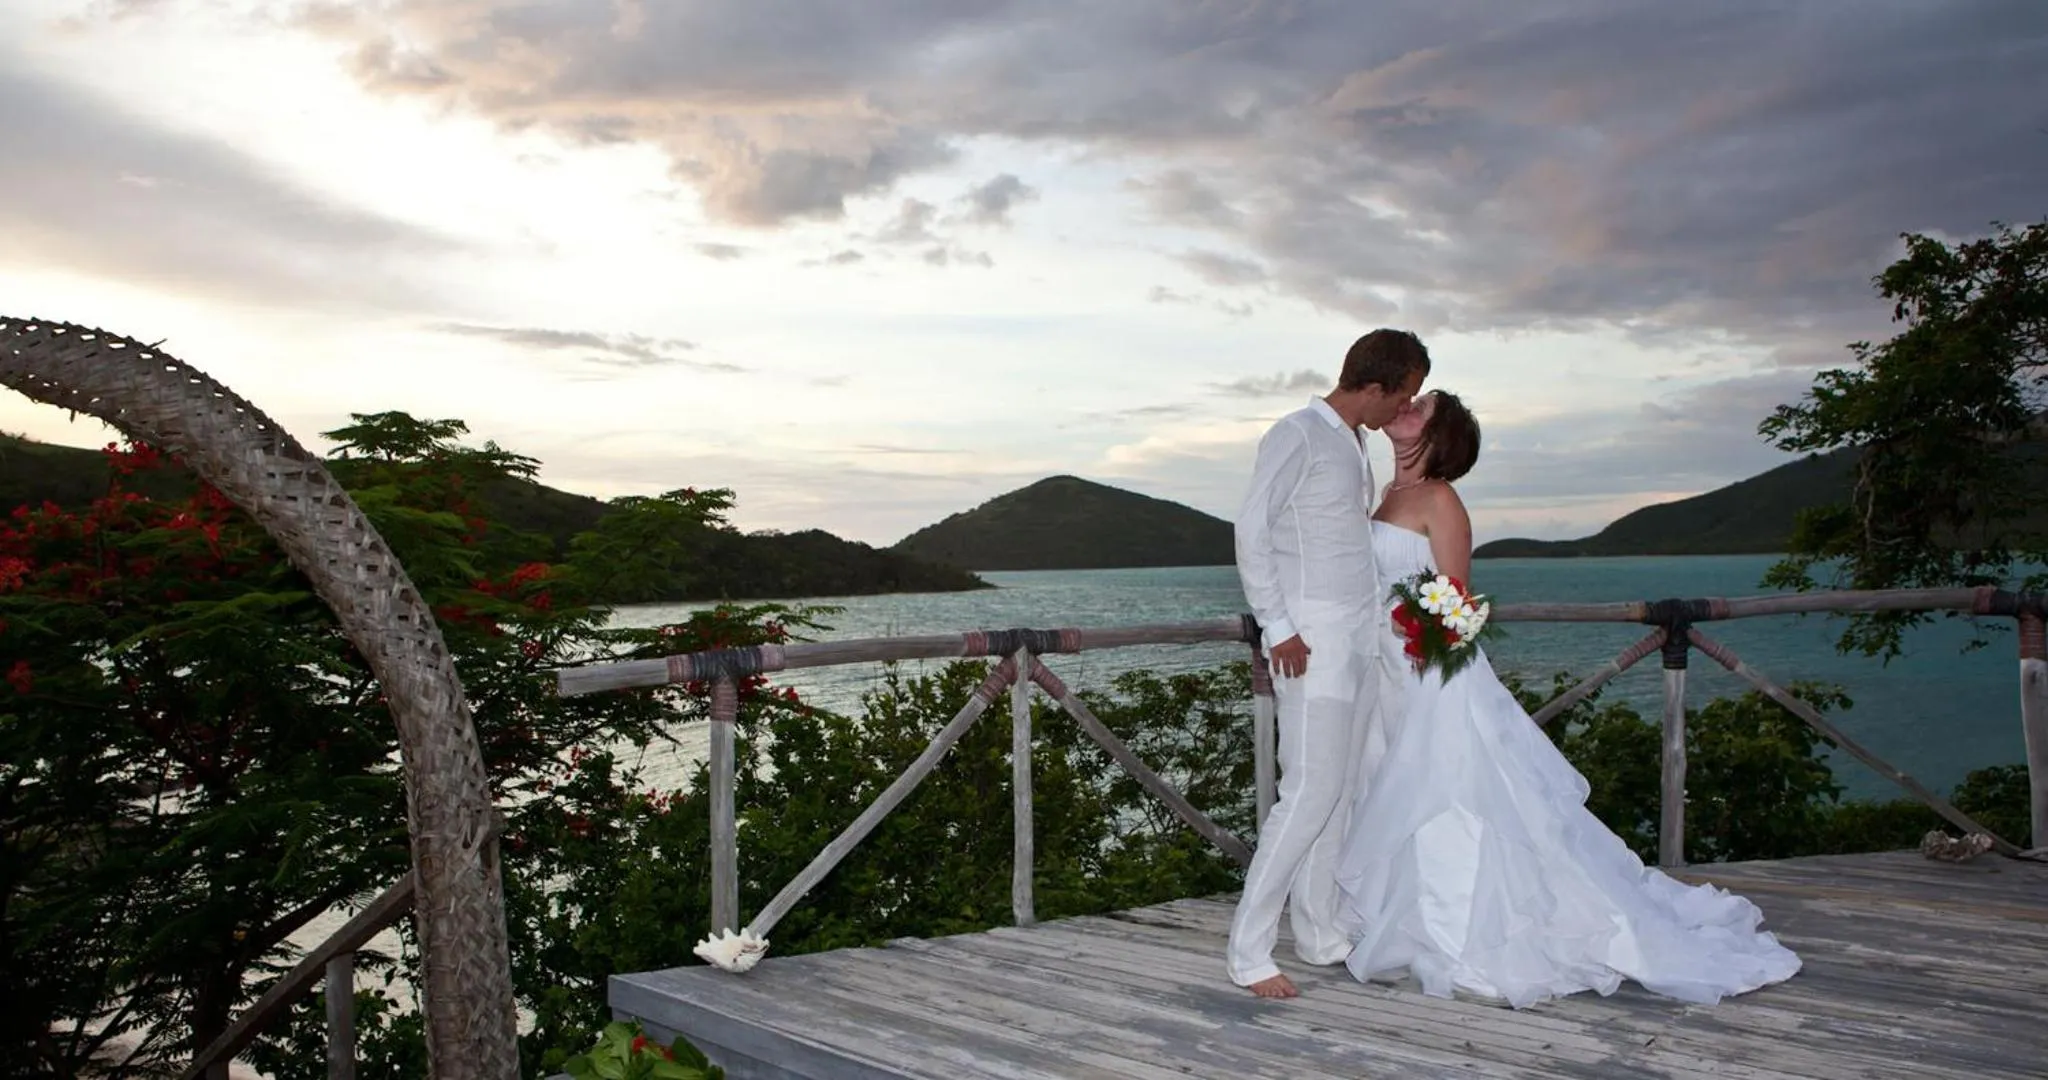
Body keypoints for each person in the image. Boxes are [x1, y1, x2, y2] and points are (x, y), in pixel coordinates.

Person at [1334, 390, 1802, 1008]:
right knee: (1394, 783)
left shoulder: (1442, 500)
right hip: (1385, 672)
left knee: (1452, 793)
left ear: (1438, 434)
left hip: (1429, 673)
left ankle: (1464, 928)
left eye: (1422, 405)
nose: (1407, 405)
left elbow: (1455, 602)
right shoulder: (1385, 494)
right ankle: (1400, 912)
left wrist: (1407, 621)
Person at [1226, 329, 1429, 999]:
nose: (1404, 405)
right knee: (1308, 792)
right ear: (1374, 385)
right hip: (1309, 646)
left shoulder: (1354, 442)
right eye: (1402, 391)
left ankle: (1319, 933)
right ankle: (1249, 951)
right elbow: (1251, 528)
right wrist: (1277, 626)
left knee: (1337, 792)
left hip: (1357, 643)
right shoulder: (1298, 433)